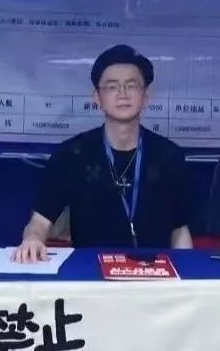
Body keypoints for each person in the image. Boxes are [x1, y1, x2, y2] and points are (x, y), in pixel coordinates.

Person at [14, 44, 193, 263]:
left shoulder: (169, 156)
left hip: (156, 274)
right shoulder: (71, 155)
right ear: (97, 97)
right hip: (90, 275)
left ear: (146, 96)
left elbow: (180, 230)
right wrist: (33, 239)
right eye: (112, 87)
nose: (123, 94)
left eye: (131, 85)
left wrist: (188, 272)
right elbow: (39, 222)